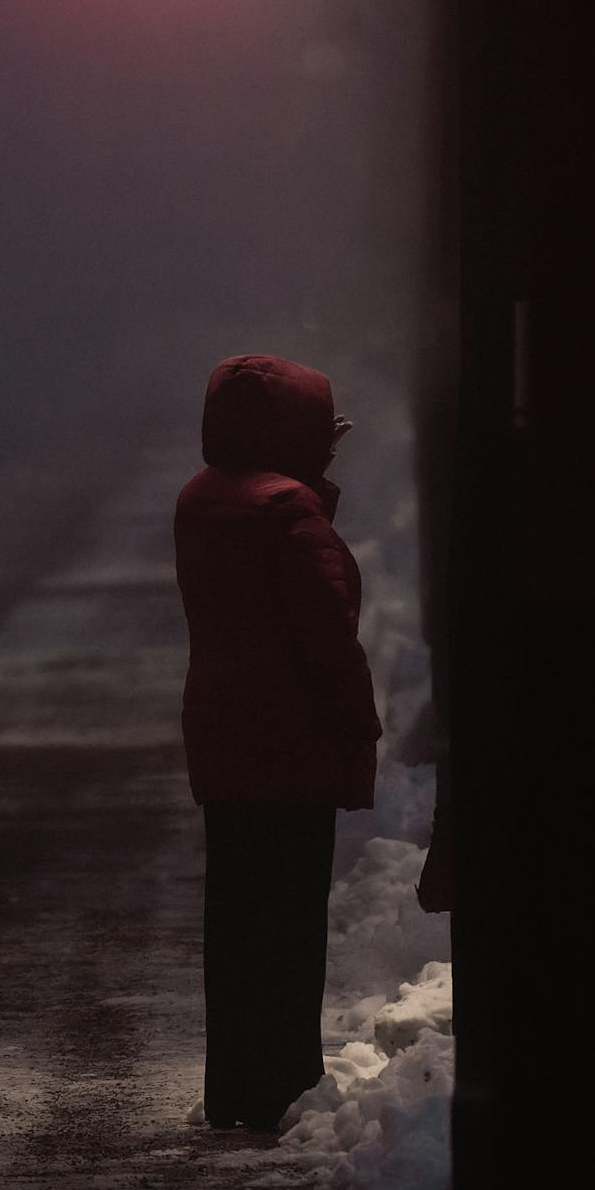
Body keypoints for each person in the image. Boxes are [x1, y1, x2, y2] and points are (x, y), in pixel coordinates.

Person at [174, 354, 380, 1137]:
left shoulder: (204, 498)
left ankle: (235, 1088)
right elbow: (327, 640)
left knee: (235, 924)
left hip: (225, 740)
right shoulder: (289, 512)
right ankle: (285, 1086)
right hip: (290, 745)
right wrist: (358, 728)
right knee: (289, 927)